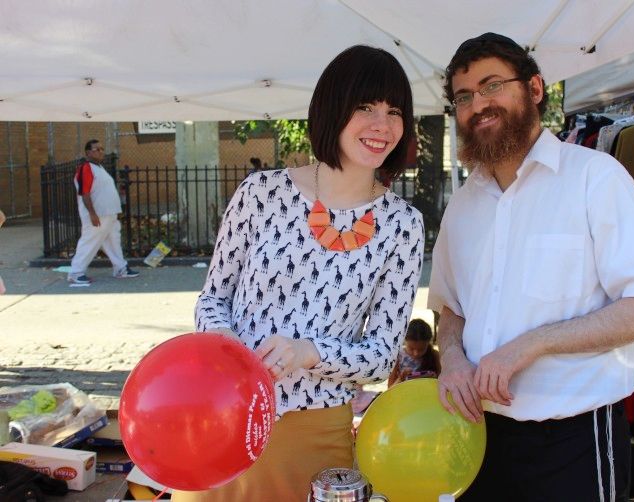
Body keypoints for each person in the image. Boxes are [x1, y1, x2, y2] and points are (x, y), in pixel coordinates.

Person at [428, 33, 634, 501]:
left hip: (575, 443)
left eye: (491, 85)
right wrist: (456, 360)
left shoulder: (595, 177)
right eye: (464, 96)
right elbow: (451, 309)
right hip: (477, 436)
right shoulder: (463, 205)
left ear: (535, 88)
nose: (477, 104)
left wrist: (533, 344)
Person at [175, 45, 424, 501]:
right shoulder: (260, 193)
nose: (381, 125)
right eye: (364, 107)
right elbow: (212, 300)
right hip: (222, 417)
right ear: (332, 108)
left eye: (394, 111)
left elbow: (381, 355)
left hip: (315, 437)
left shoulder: (402, 225)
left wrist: (309, 352)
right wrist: (233, 358)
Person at [67, 140, 138, 284]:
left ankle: (120, 268)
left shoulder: (98, 168)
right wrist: (92, 214)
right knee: (89, 242)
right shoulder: (86, 168)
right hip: (98, 215)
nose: (100, 151)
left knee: (113, 242)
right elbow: (84, 193)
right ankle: (76, 272)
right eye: (96, 149)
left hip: (109, 214)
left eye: (101, 149)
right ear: (88, 153)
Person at [388, 318, 440, 386]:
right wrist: (401, 378)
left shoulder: (435, 355)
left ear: (428, 343)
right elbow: (390, 389)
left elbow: (443, 381)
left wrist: (434, 379)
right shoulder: (397, 357)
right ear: (404, 341)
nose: (416, 353)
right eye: (411, 348)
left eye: (421, 349)